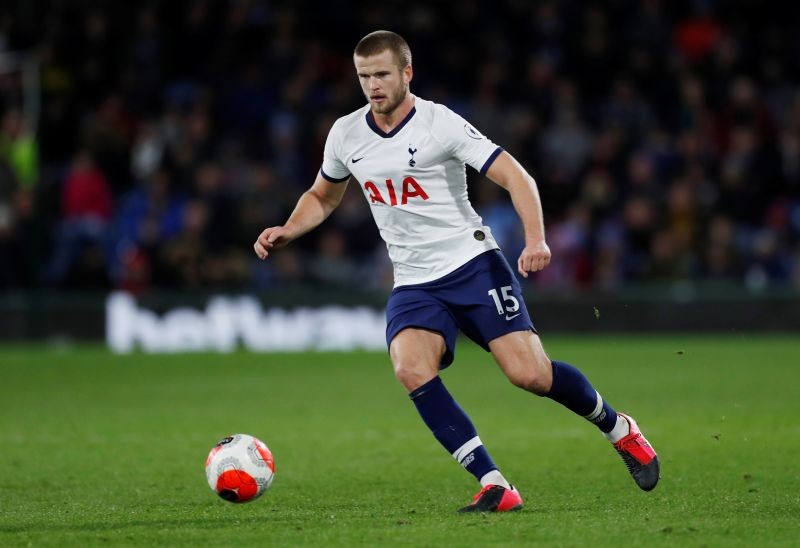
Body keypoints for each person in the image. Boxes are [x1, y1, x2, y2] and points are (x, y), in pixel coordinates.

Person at [254, 30, 660, 513]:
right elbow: (323, 195)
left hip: (471, 265)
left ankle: (619, 428)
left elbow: (516, 176)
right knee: (410, 367)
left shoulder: (437, 123)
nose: (373, 86)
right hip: (412, 280)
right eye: (364, 77)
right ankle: (494, 483)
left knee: (530, 375)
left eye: (382, 74)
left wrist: (536, 240)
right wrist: (289, 228)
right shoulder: (346, 133)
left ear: (407, 72)